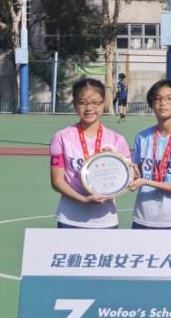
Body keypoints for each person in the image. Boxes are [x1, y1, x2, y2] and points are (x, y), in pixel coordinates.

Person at [49, 78, 132, 228]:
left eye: (95, 103)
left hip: (105, 220)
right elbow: (57, 181)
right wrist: (84, 200)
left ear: (103, 104)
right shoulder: (61, 137)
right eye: (82, 103)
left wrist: (115, 162)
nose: (89, 108)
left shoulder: (117, 140)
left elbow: (127, 179)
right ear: (75, 104)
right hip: (70, 218)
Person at [126, 79, 171, 229]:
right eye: (157, 99)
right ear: (151, 104)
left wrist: (147, 182)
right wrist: (116, 163)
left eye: (169, 99)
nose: (163, 103)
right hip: (142, 218)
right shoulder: (142, 137)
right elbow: (137, 176)